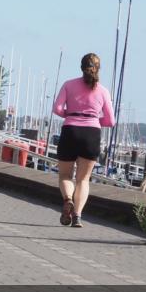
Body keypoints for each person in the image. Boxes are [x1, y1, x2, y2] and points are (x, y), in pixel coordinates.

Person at [51, 53, 115, 228]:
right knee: (83, 180)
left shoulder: (68, 85)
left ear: (81, 67)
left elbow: (57, 108)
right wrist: (94, 120)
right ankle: (77, 216)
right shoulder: (103, 91)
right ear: (98, 69)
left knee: (65, 176)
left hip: (70, 131)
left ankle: (68, 200)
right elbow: (111, 121)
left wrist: (71, 115)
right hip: (91, 134)